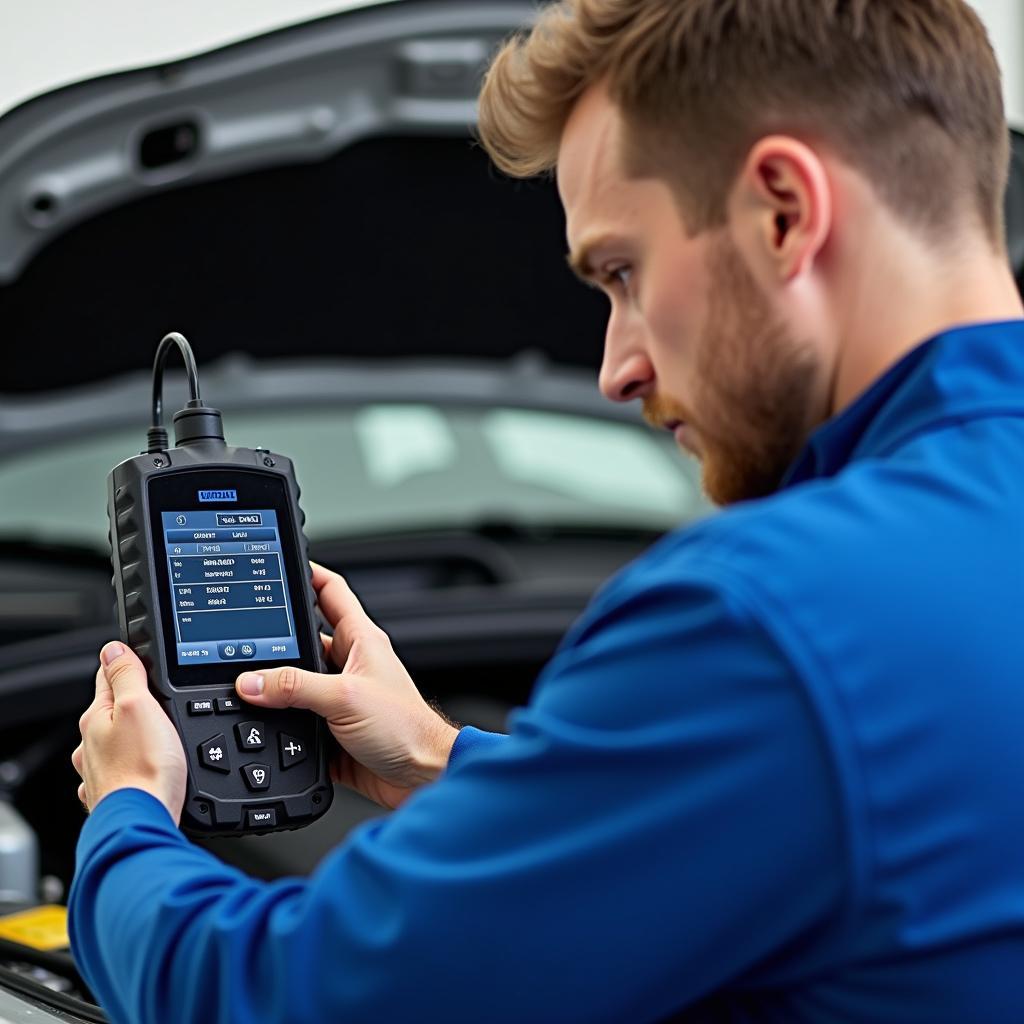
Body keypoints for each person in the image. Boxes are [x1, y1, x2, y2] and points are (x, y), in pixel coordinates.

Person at [69, 1, 1024, 1020]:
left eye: (622, 272)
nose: (616, 369)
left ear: (782, 210)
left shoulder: (766, 618)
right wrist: (444, 761)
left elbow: (294, 999)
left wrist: (125, 820)